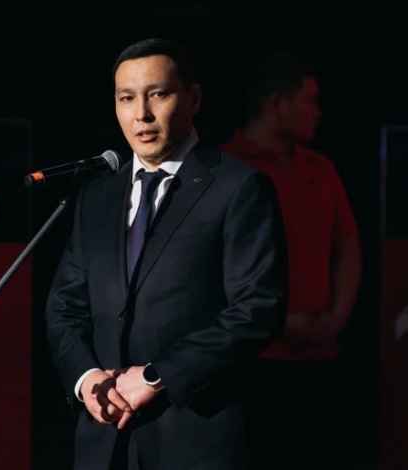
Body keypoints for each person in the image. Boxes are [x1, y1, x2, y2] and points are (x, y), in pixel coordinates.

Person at [45, 38, 288, 470]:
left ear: (194, 99)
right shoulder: (96, 197)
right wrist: (87, 380)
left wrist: (158, 376)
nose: (141, 113)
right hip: (105, 439)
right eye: (126, 98)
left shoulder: (237, 188)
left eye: (158, 94)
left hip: (196, 437)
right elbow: (64, 307)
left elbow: (258, 309)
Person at [221, 52, 361, 469]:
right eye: (309, 100)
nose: (318, 112)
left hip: (320, 356)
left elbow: (347, 246)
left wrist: (337, 316)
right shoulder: (225, 167)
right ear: (277, 103)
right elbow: (206, 269)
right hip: (255, 362)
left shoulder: (320, 167)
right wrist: (277, 324)